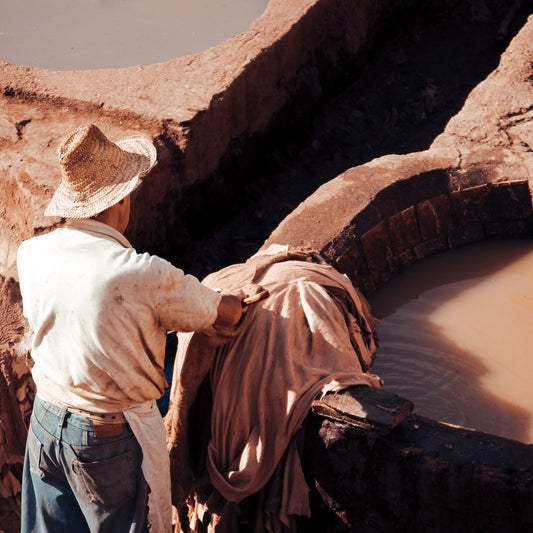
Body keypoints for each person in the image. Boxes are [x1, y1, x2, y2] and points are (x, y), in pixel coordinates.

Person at [16, 124, 244, 533]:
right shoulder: (139, 273)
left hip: (46, 420)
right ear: (118, 200)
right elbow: (220, 314)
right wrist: (238, 301)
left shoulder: (31, 253)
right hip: (106, 437)